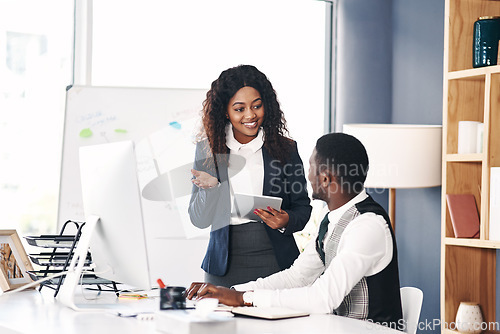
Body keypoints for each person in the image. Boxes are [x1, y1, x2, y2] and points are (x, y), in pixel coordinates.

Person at [187, 133, 403, 329]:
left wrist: (246, 298)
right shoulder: (333, 221)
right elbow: (297, 276)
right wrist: (232, 292)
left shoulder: (367, 225)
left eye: (311, 167)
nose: (308, 176)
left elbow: (323, 298)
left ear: (326, 179)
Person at [188, 65, 312, 288]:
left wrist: (286, 221)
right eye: (239, 109)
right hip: (223, 266)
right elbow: (199, 220)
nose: (250, 115)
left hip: (276, 264)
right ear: (225, 111)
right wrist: (210, 189)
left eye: (256, 106)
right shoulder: (208, 150)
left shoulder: (286, 149)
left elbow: (303, 208)